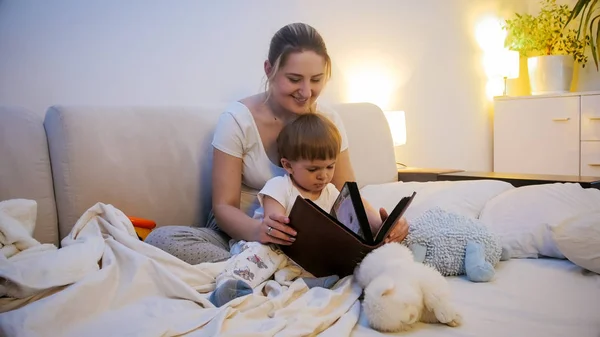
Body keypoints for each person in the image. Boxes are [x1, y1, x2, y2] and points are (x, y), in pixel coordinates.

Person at [145, 22, 409, 265]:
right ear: (269, 70)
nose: (306, 92)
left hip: (309, 241)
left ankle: (267, 271)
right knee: (161, 240)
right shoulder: (237, 120)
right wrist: (260, 232)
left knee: (405, 242)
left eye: (316, 80)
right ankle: (259, 267)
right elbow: (223, 207)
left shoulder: (328, 120)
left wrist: (381, 227)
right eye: (294, 79)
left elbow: (347, 194)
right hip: (241, 234)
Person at [209, 112, 344, 307]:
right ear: (288, 165)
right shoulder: (280, 186)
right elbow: (274, 221)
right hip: (274, 243)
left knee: (330, 256)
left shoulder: (331, 192)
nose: (323, 176)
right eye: (313, 170)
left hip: (305, 254)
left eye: (330, 167)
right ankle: (231, 285)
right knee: (263, 254)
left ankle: (305, 283)